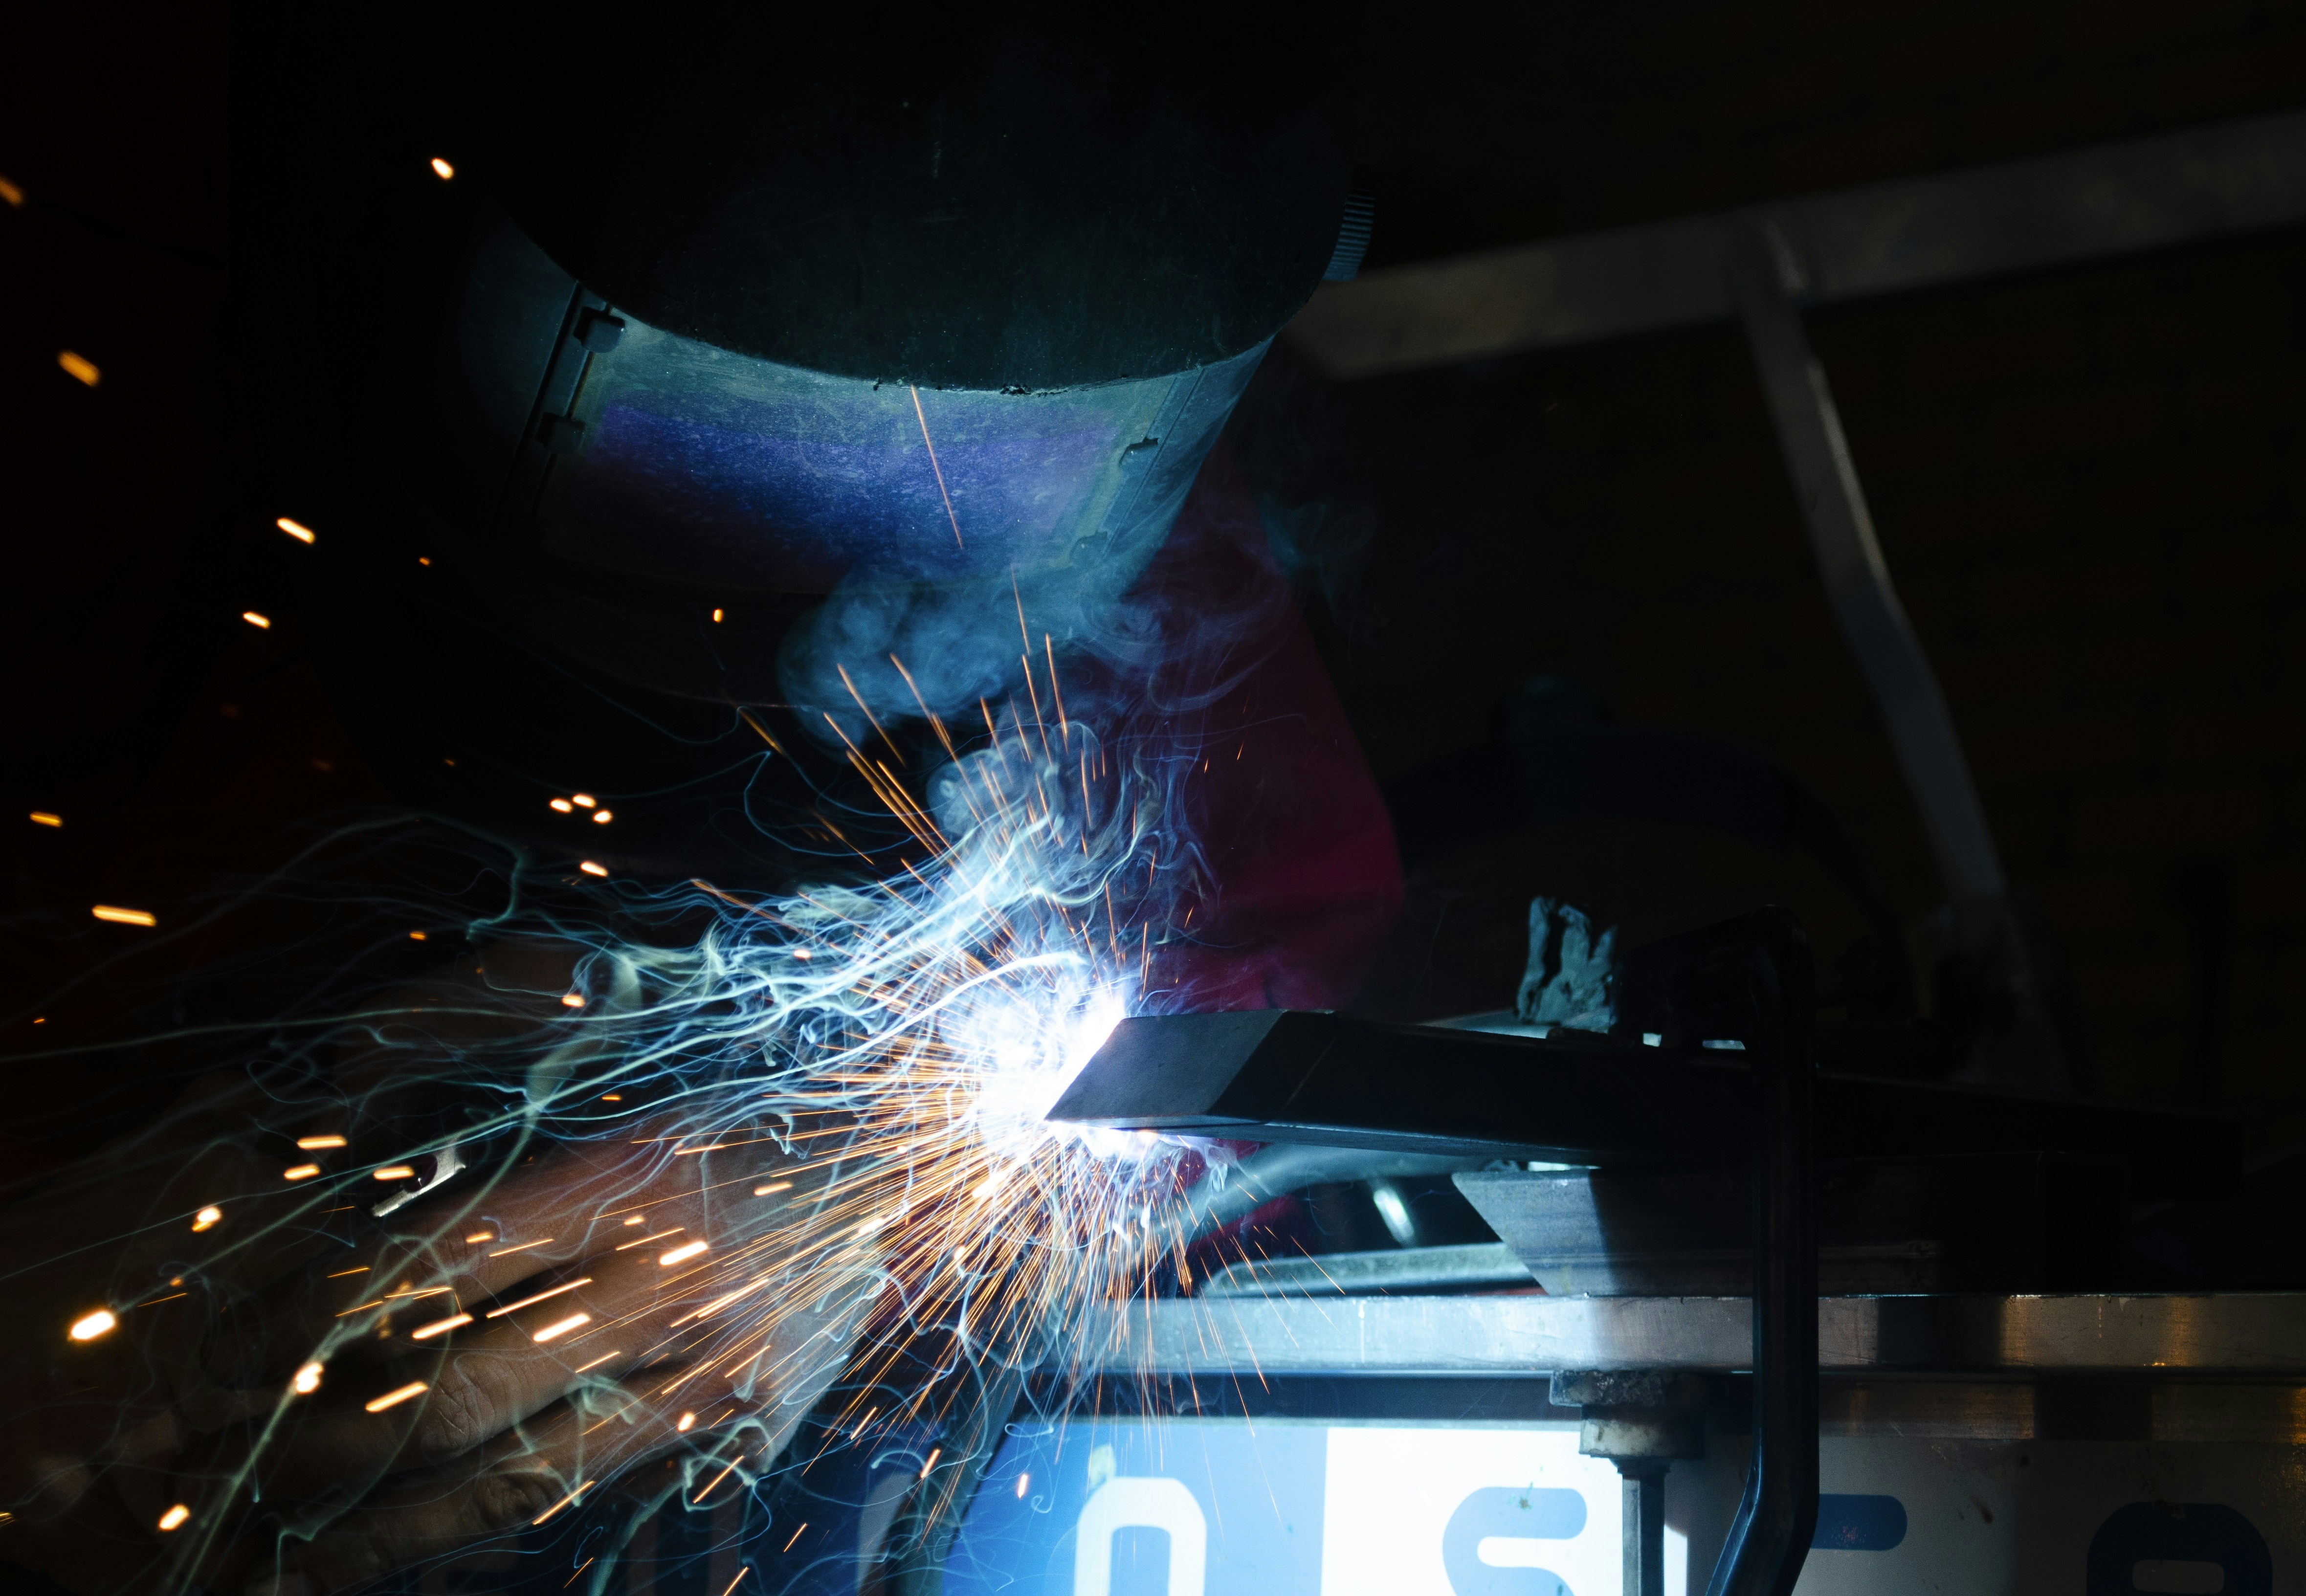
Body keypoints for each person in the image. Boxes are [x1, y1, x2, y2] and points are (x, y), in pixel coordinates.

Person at [1, 9, 1398, 1593]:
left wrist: (860, 1176)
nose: (826, 581)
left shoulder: (1105, 381)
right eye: (709, 455)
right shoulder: (110, 238)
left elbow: (1250, 953)